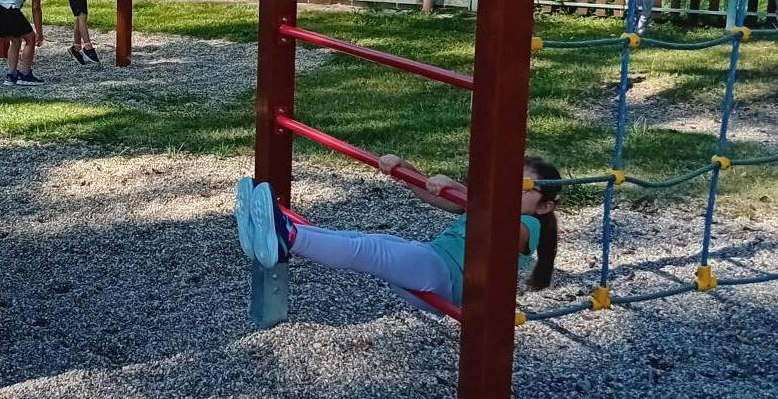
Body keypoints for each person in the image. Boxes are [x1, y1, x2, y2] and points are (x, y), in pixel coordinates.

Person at [234, 154, 562, 307]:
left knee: (368, 251)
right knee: (362, 240)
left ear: (544, 207)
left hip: (449, 281)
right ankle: (270, 232)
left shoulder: (528, 226)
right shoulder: (483, 205)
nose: (508, 192)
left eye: (522, 189)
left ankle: (285, 237)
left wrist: (465, 192)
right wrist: (405, 171)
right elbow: (434, 197)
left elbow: (500, 229)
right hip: (432, 260)